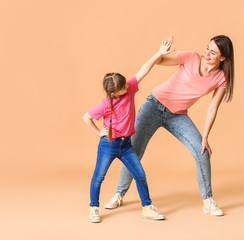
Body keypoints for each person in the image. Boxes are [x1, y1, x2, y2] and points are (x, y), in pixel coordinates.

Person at [106, 35, 234, 216]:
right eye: (207, 48)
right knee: (134, 152)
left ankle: (207, 201)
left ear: (223, 58)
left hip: (177, 116)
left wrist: (205, 137)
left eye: (213, 52)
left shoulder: (221, 78)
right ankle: (119, 194)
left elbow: (213, 108)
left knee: (202, 151)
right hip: (153, 105)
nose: (206, 54)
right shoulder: (190, 57)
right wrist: (161, 52)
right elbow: (159, 61)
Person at [82, 38, 174, 223]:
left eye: (126, 85)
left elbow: (143, 70)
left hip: (126, 145)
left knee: (140, 175)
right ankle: (94, 208)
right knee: (99, 177)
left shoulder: (129, 88)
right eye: (123, 88)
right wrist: (98, 132)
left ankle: (147, 207)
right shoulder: (105, 105)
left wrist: (159, 52)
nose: (128, 87)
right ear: (114, 93)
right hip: (108, 145)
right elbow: (87, 117)